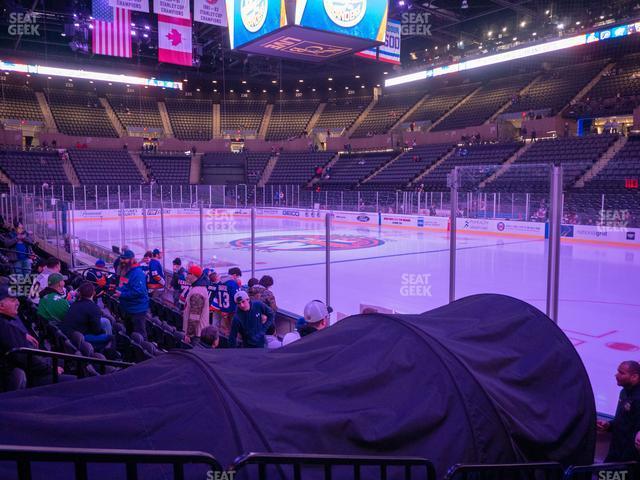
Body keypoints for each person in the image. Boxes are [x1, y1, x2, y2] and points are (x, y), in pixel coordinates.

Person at [0, 284, 71, 386]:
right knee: (72, 379)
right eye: (12, 300)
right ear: (1, 306)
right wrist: (51, 369)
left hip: (25, 366)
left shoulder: (5, 324)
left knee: (62, 360)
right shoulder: (4, 327)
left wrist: (22, 335)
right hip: (25, 375)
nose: (18, 303)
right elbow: (24, 358)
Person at [597, 361, 640, 462]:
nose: (616, 375)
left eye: (621, 373)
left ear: (634, 377)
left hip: (629, 460)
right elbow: (623, 421)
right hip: (615, 452)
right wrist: (608, 425)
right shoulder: (624, 392)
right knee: (604, 476)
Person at [61, 282, 112, 350]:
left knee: (104, 322)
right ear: (93, 293)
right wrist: (102, 331)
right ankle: (108, 353)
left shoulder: (74, 304)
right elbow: (96, 331)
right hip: (79, 337)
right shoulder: (94, 308)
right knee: (111, 338)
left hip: (69, 334)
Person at [114, 250, 149, 339]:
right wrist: (117, 289)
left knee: (140, 336)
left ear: (132, 259)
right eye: (121, 258)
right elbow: (124, 285)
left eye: (125, 259)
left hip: (137, 310)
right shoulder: (125, 271)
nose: (122, 261)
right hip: (127, 308)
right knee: (129, 334)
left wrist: (121, 294)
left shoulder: (137, 273)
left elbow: (139, 292)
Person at [182, 265, 210, 343]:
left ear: (193, 275)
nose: (186, 275)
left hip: (196, 334)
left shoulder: (197, 292)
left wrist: (189, 334)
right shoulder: (196, 288)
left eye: (188, 273)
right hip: (196, 333)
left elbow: (194, 316)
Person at [211, 267, 242, 337]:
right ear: (234, 275)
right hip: (231, 311)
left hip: (222, 310)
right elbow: (237, 297)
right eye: (238, 276)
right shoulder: (233, 284)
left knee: (223, 330)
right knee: (232, 331)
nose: (238, 279)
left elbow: (216, 295)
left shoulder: (219, 283)